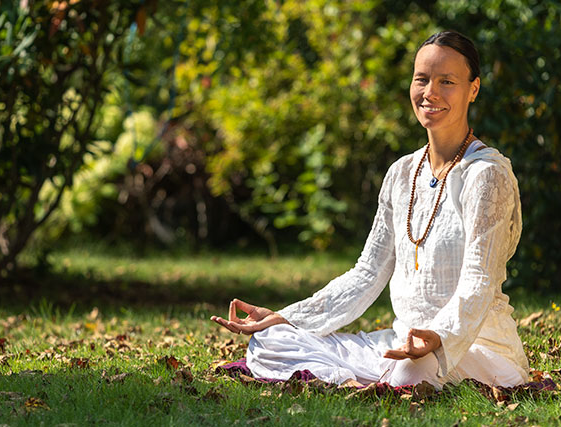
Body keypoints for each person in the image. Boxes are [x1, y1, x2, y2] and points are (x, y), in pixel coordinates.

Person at [210, 30, 528, 388]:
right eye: (421, 79)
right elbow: (367, 273)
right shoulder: (402, 173)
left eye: (447, 81)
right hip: (401, 343)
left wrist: (439, 337)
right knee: (270, 342)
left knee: (412, 372)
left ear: (473, 89)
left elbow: (479, 281)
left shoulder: (487, 175)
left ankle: (374, 379)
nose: (430, 93)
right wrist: (286, 318)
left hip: (477, 348)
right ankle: (365, 380)